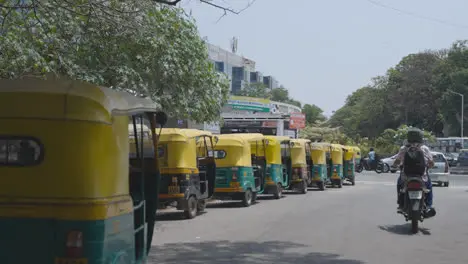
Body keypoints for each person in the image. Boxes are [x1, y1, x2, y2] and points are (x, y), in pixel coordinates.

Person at [392, 128, 435, 214]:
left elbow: (397, 161)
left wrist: (395, 165)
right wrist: (428, 166)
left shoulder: (403, 148)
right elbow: (431, 162)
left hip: (406, 177)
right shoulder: (424, 148)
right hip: (422, 176)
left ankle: (401, 204)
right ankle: (429, 206)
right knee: (429, 187)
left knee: (399, 185)